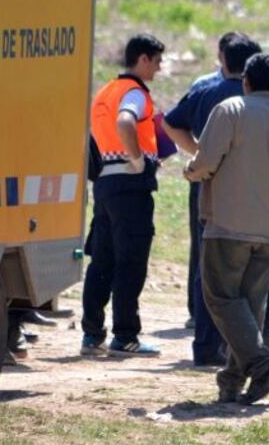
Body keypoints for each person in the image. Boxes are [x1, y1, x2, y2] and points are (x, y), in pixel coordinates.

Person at [183, 53, 269, 405]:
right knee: (250, 308)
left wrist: (190, 171)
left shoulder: (231, 110)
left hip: (228, 224)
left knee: (221, 299)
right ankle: (231, 381)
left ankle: (263, 368)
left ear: (246, 81)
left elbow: (206, 162)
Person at [163, 35, 262, 366]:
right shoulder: (258, 100)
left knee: (207, 263)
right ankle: (238, 346)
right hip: (248, 191)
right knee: (246, 266)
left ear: (223, 60)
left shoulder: (205, 92)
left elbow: (170, 122)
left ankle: (205, 344)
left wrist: (200, 154)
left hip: (207, 186)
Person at [81, 34, 165, 357]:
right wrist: (138, 159)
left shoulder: (105, 92)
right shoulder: (135, 94)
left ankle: (92, 333)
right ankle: (126, 335)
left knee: (102, 260)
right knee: (131, 263)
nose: (158, 69)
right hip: (131, 188)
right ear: (142, 59)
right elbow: (125, 121)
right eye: (156, 62)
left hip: (104, 186)